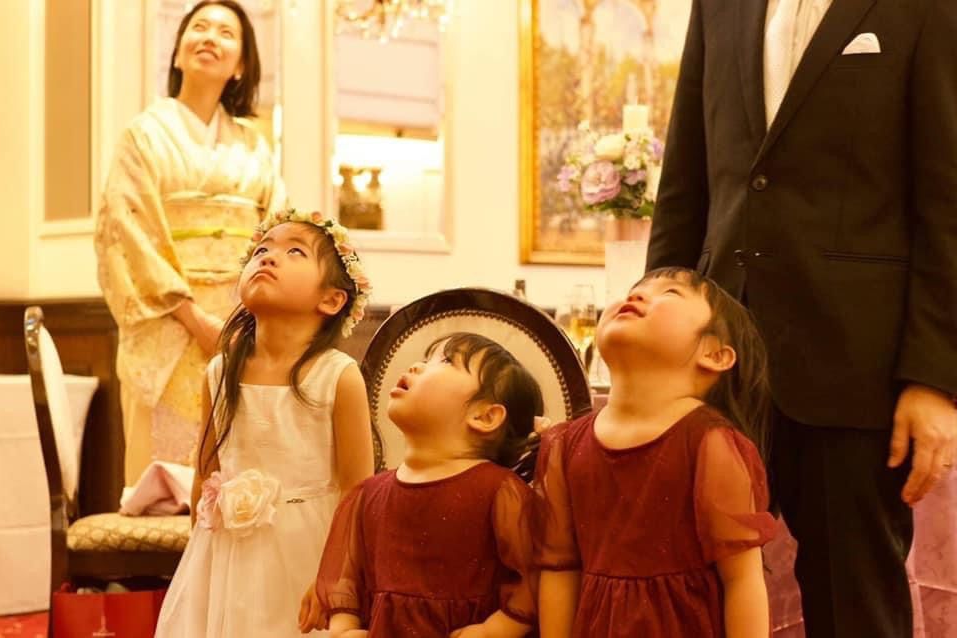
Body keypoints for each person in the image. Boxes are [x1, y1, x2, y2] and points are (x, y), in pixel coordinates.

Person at [647, 1, 957, 635]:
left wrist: (935, 377)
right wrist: (655, 328)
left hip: (854, 368)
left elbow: (948, 198)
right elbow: (685, 181)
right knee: (683, 598)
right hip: (713, 362)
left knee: (854, 607)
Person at [155, 210, 375, 638]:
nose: (268, 257)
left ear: (331, 300)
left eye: (295, 252)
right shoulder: (220, 372)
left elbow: (356, 493)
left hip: (308, 551)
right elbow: (206, 474)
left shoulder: (338, 376)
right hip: (227, 551)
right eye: (261, 249)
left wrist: (336, 577)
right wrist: (202, 562)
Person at [94, 0, 287, 484]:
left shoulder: (255, 146)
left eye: (226, 33)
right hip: (167, 326)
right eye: (199, 27)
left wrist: (245, 318)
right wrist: (193, 317)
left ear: (241, 65)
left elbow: (277, 232)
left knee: (237, 480)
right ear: (178, 52)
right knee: (166, 481)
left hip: (241, 323)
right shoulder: (144, 136)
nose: (210, 38)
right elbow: (127, 234)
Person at [537, 268, 777, 638]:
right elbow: (559, 569)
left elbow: (742, 580)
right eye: (634, 289)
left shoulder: (710, 443)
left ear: (714, 354)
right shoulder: (564, 444)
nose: (635, 296)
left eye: (670, 293)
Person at [298, 333, 542, 638]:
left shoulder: (500, 492)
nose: (416, 366)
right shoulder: (368, 494)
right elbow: (348, 579)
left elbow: (533, 576)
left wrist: (495, 629)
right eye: (427, 358)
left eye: (445, 360)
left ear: (484, 416)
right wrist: (344, 629)